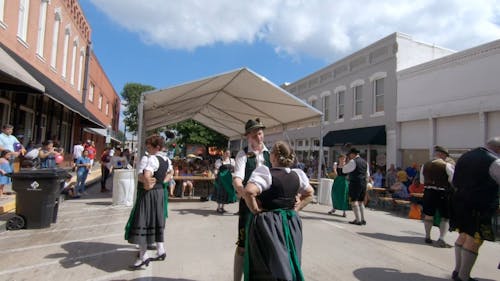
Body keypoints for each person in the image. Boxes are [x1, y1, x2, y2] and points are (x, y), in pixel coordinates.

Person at [242, 140, 314, 280]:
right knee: (289, 259)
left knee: (266, 263)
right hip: (292, 222)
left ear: (273, 156)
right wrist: (298, 207)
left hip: (270, 224)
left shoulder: (266, 173)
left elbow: (249, 192)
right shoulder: (297, 174)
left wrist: (255, 210)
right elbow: (310, 193)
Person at [449, 137, 500, 281]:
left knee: (463, 234)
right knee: (475, 238)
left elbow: (454, 180)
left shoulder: (467, 156)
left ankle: (457, 271)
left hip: (460, 201)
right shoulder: (494, 161)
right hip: (479, 204)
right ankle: (463, 276)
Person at [124, 135, 172, 269]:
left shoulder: (150, 158)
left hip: (150, 194)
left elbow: (145, 175)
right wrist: (162, 182)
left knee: (143, 221)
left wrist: (147, 183)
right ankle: (160, 250)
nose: (147, 148)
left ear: (157, 147)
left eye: (149, 146)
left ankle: (143, 256)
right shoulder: (166, 159)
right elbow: (171, 173)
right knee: (156, 221)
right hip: (160, 193)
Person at [232, 118, 271, 281]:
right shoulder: (243, 155)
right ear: (247, 136)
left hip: (268, 206)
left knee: (266, 244)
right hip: (248, 206)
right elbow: (237, 180)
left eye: (260, 133)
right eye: (255, 135)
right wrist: (244, 194)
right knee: (243, 245)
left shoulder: (270, 154)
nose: (258, 137)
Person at [420, 145, 455, 247]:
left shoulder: (425, 165)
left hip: (428, 192)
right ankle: (441, 238)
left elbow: (422, 181)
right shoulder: (446, 165)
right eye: (445, 156)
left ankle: (427, 236)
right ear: (442, 154)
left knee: (428, 215)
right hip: (443, 193)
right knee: (445, 217)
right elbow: (453, 180)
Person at [342, 147, 369, 225]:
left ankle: (358, 220)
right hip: (363, 183)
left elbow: (344, 170)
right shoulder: (365, 162)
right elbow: (367, 174)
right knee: (361, 202)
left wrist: (346, 163)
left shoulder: (353, 161)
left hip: (355, 183)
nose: (349, 156)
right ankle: (363, 219)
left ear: (353, 154)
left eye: (350, 154)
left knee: (354, 201)